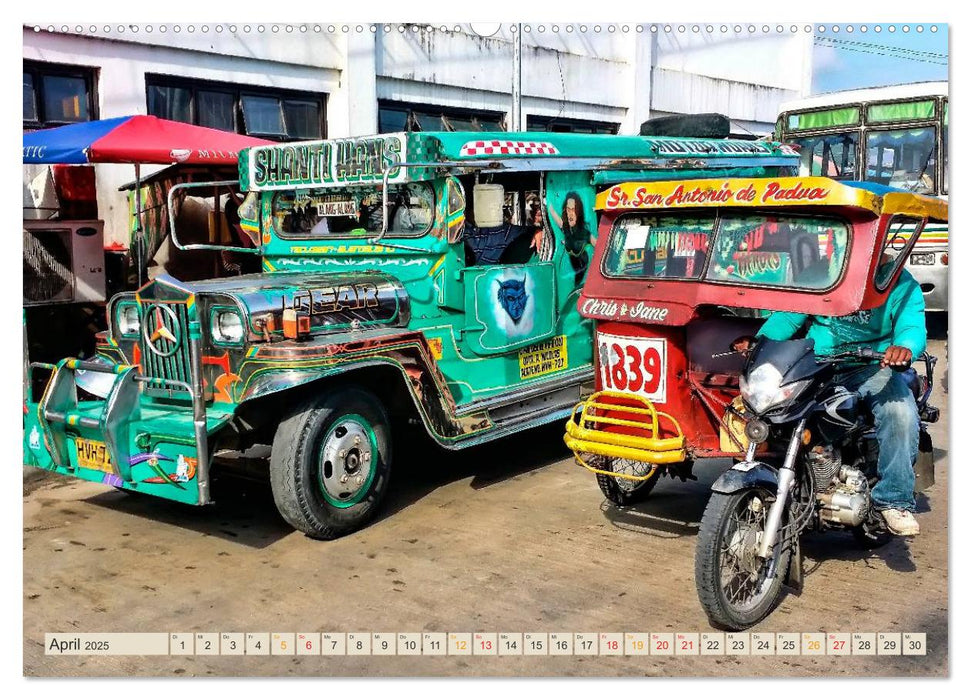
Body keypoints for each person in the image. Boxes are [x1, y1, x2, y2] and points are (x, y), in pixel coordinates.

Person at [733, 264, 927, 536]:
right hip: (818, 363)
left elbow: (912, 326)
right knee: (771, 405)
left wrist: (904, 347)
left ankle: (894, 500)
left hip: (872, 366)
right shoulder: (824, 273)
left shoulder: (901, 283)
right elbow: (789, 317)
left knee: (900, 412)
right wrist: (760, 341)